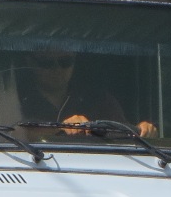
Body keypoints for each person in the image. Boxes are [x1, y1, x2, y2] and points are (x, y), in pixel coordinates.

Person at [18, 50, 157, 137]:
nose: (57, 69)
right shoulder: (14, 98)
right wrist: (61, 128)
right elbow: (8, 133)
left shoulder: (99, 99)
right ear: (29, 61)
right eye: (46, 63)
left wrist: (142, 130)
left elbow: (123, 134)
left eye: (65, 62)